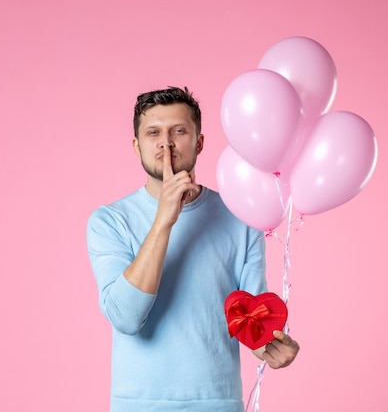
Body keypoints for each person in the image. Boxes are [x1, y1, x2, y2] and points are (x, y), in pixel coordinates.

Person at [86, 86, 299, 412]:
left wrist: (271, 347)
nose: (166, 142)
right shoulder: (109, 221)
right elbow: (126, 318)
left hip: (217, 403)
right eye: (153, 132)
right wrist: (164, 221)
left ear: (199, 142)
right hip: (138, 405)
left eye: (179, 131)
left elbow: (252, 323)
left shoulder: (241, 217)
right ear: (136, 145)